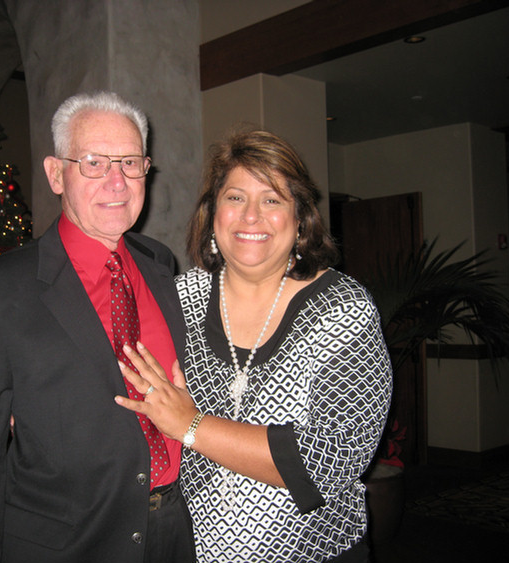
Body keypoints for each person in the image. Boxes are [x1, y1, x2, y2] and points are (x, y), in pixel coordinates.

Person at [0, 91, 194, 563]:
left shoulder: (159, 264)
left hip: (175, 533)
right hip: (69, 546)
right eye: (93, 162)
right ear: (56, 173)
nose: (117, 181)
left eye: (131, 163)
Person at [115, 128, 393, 562]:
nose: (251, 217)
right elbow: (122, 373)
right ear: (212, 213)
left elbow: (330, 459)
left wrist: (192, 426)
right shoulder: (179, 299)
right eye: (235, 197)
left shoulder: (342, 307)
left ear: (300, 218)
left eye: (272, 199)